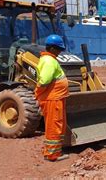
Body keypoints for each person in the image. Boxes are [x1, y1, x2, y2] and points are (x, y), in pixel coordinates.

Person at [35, 34, 69, 162]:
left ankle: (54, 151)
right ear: (53, 48)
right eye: (59, 49)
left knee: (57, 124)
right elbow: (44, 82)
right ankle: (52, 155)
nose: (60, 52)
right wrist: (39, 94)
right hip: (52, 99)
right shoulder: (49, 61)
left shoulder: (50, 60)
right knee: (54, 126)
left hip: (56, 98)